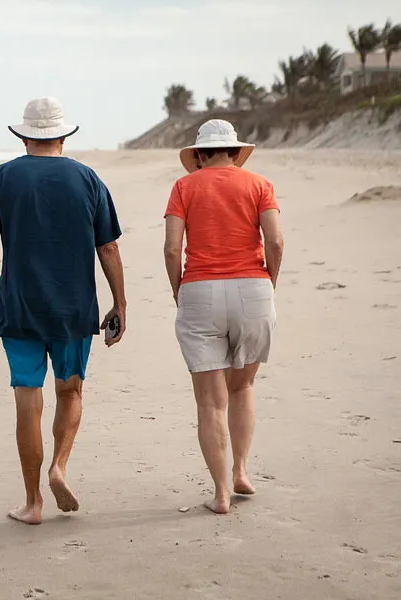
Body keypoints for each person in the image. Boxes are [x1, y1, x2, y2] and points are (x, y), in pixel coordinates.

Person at [0, 97, 126, 525]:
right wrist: (120, 302)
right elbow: (107, 246)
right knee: (70, 391)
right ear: (64, 135)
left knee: (27, 396)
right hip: (74, 308)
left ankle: (33, 502)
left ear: (23, 136)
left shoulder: (1, 178)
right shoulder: (88, 179)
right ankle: (59, 466)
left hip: (19, 306)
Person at [163, 119, 285, 514]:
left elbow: (171, 249)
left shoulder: (184, 187)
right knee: (243, 387)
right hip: (253, 288)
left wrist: (179, 290)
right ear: (235, 152)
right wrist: (270, 282)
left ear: (198, 155)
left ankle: (219, 494)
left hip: (200, 290)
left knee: (209, 402)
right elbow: (276, 241)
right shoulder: (259, 185)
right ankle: (241, 471)